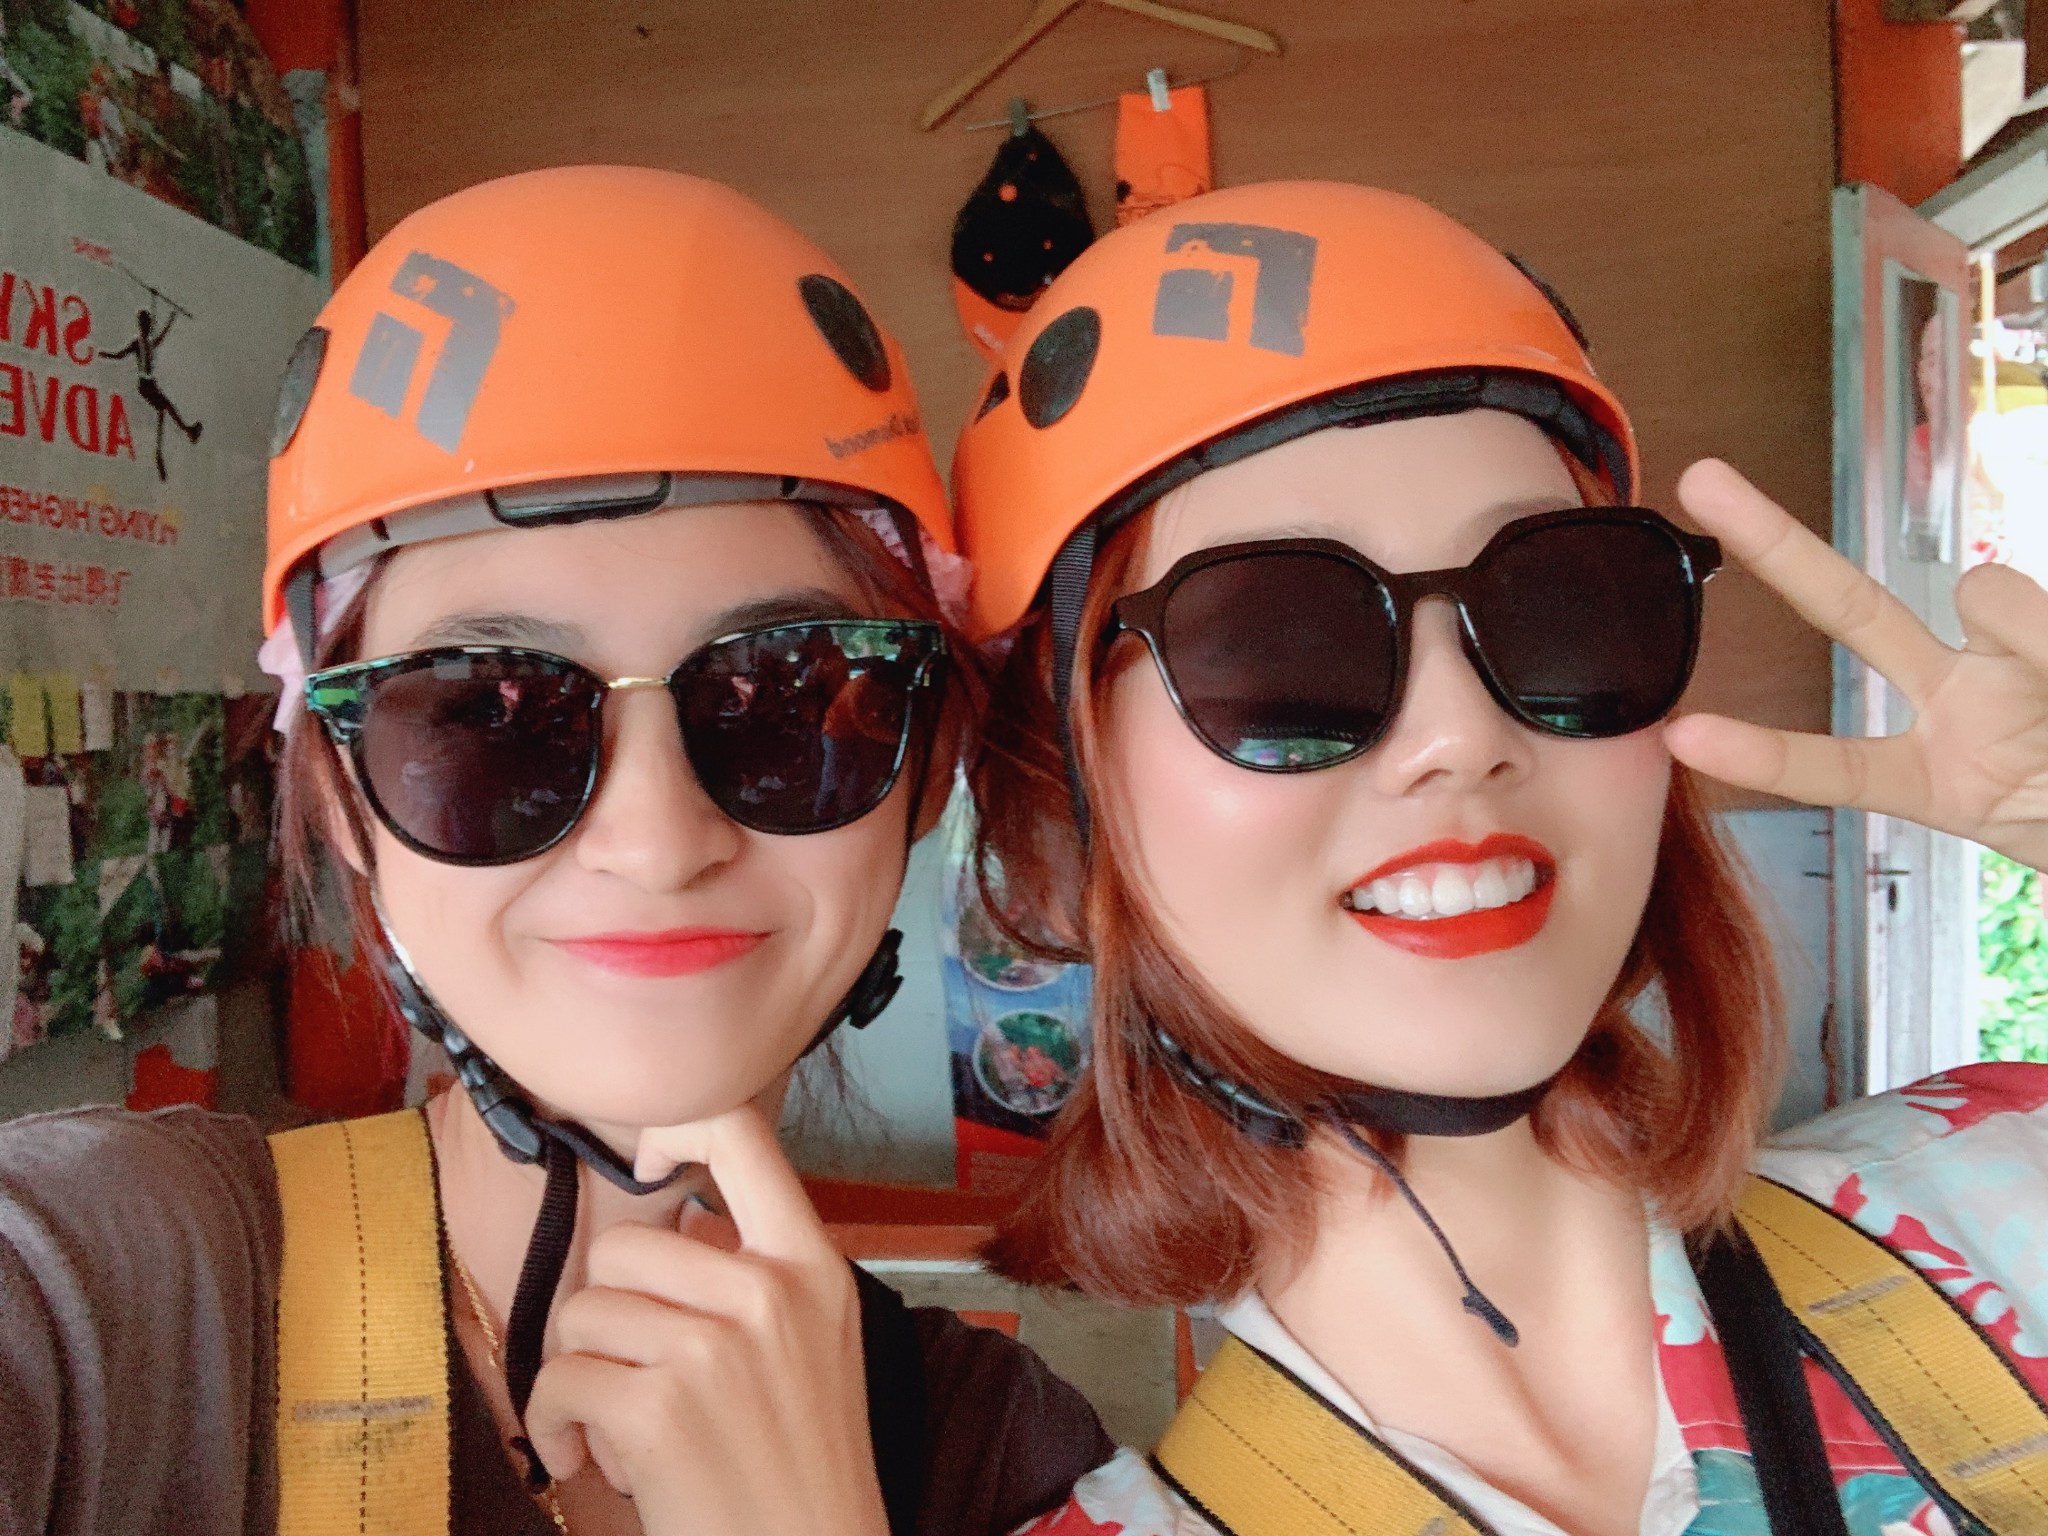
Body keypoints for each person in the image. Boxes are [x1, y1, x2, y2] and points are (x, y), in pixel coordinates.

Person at [0, 167, 1111, 1536]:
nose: (656, 841)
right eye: (485, 715)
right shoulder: (93, 1299)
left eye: (783, 696)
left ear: (924, 771)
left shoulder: (1010, 1462)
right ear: (345, 803)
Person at [955, 181, 2048, 1535]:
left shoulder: (2008, 1208)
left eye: (1562, 606)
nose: (1461, 739)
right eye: (1275, 644)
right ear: (1056, 810)